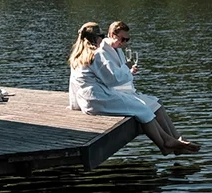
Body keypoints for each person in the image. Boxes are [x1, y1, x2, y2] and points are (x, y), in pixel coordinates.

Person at [67, 22, 200, 156]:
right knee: (141, 108)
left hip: (89, 100)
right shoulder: (95, 56)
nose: (102, 39)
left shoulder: (77, 56)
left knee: (143, 107)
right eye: (101, 35)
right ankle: (165, 144)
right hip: (98, 99)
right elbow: (112, 80)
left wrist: (76, 105)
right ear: (95, 37)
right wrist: (126, 68)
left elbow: (74, 85)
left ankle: (167, 140)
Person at [95, 20, 190, 147]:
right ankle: (170, 141)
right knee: (150, 107)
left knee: (158, 103)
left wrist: (129, 71)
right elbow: (112, 79)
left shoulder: (117, 50)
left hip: (125, 90)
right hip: (116, 93)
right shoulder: (102, 52)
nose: (124, 43)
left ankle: (176, 138)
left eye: (127, 40)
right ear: (112, 34)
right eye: (122, 39)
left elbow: (122, 72)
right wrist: (126, 69)